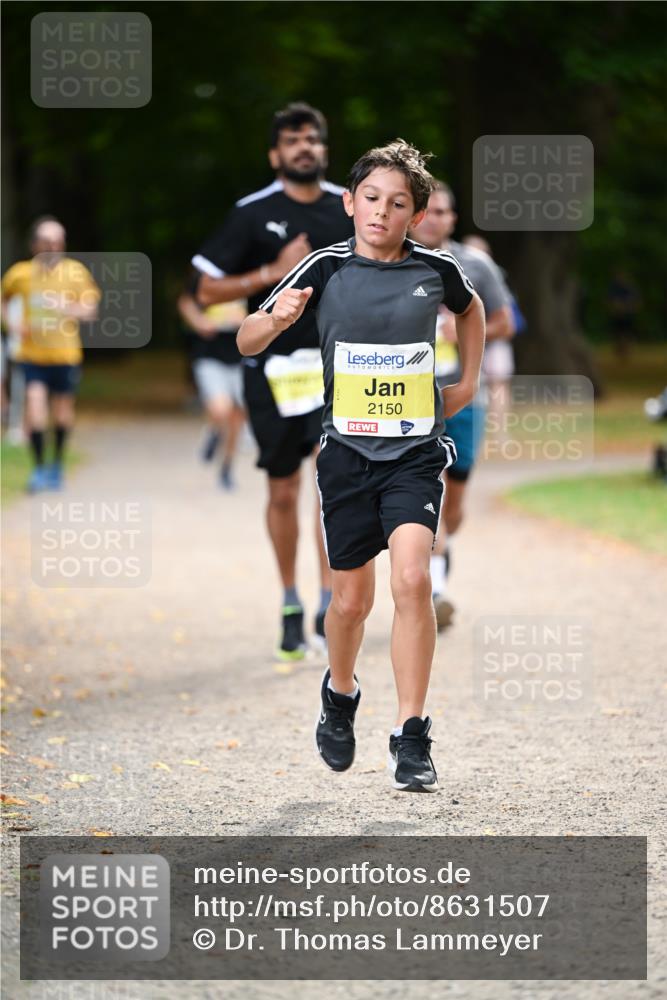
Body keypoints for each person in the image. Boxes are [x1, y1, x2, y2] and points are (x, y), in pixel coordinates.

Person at [237, 140, 485, 792]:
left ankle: (411, 734)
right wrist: (276, 318)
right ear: (349, 203)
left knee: (412, 580)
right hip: (346, 455)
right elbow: (246, 338)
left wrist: (466, 384)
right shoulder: (325, 266)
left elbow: (471, 311)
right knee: (350, 602)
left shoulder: (437, 270)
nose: (381, 211)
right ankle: (340, 693)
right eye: (371, 198)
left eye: (397, 203)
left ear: (416, 214)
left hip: (414, 452)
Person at [192, 102, 353, 660]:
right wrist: (271, 272)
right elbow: (206, 291)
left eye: (312, 138)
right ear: (275, 154)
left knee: (332, 485)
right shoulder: (251, 212)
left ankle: (329, 602)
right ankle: (289, 599)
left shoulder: (351, 207)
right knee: (283, 490)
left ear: (324, 149)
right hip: (273, 370)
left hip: (337, 370)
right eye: (292, 140)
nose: (304, 147)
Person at [409, 186, 514, 629]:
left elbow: (505, 322)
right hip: (410, 398)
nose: (433, 218)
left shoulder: (475, 265)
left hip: (464, 396)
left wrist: (464, 329)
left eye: (442, 212)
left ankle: (442, 550)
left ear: (453, 218)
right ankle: (434, 588)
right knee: (424, 488)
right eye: (427, 210)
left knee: (453, 502)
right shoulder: (394, 262)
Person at [0, 217, 100, 492]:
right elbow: (3, 300)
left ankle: (57, 463)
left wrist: (66, 307)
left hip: (65, 355)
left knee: (62, 413)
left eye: (58, 242)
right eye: (47, 241)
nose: (53, 247)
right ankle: (39, 468)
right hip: (32, 355)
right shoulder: (19, 274)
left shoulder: (76, 272)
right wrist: (11, 324)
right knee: (35, 407)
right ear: (34, 245)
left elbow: (90, 310)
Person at [178, 288, 247, 490]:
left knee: (238, 416)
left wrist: (248, 320)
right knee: (221, 408)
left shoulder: (256, 274)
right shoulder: (208, 274)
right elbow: (186, 301)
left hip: (243, 357)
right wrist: (199, 322)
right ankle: (214, 431)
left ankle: (227, 467)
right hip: (210, 355)